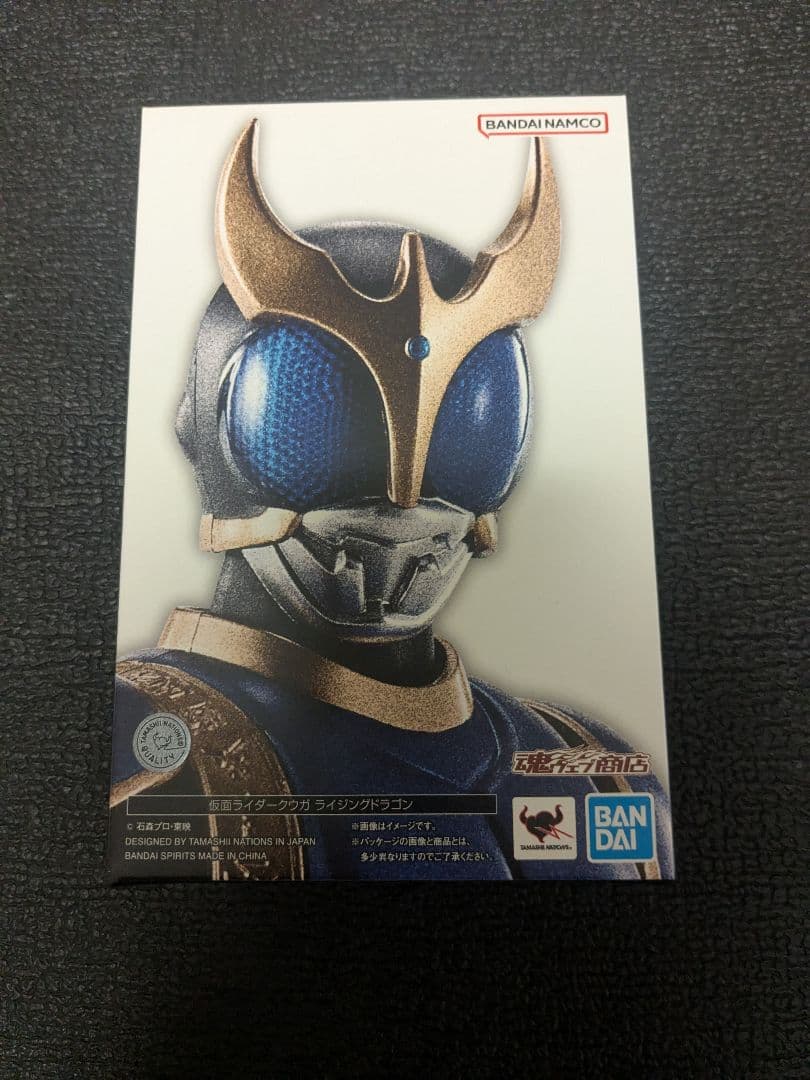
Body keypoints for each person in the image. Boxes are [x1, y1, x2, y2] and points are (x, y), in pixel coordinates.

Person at [109, 121, 672, 881]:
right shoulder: (141, 749)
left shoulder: (593, 770)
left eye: (470, 420)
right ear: (202, 429)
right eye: (314, 416)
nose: (402, 499)